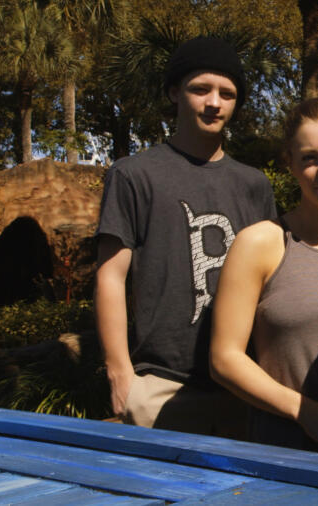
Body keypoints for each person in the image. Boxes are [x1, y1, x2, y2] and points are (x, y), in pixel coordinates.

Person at [94, 36, 277, 437]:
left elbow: (272, 283)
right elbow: (110, 275)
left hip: (242, 389)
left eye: (227, 93)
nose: (214, 102)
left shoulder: (254, 185)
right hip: (161, 384)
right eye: (201, 89)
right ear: (175, 92)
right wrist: (120, 372)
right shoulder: (134, 175)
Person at [210, 98, 318, 457]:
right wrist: (304, 411)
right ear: (290, 163)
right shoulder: (259, 244)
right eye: (309, 158)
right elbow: (224, 358)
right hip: (282, 454)